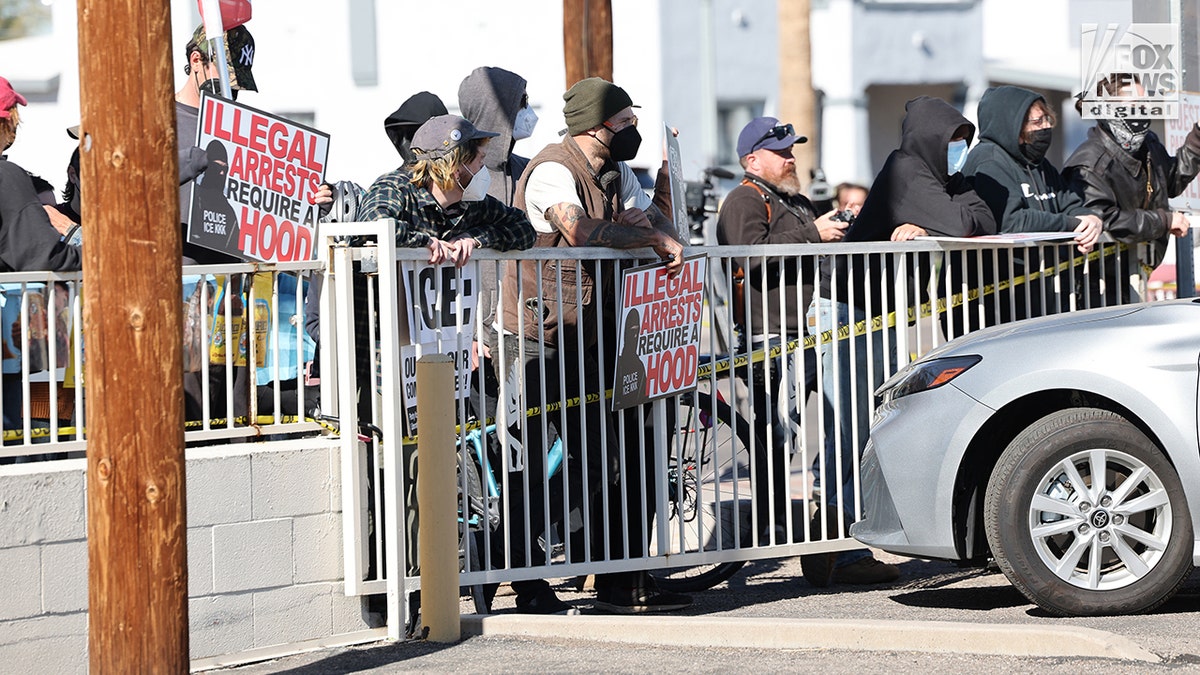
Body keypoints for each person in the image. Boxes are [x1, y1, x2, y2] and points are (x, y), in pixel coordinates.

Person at [500, 77, 688, 614]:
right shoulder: (552, 169)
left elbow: (660, 227)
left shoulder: (616, 171)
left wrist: (655, 215)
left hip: (594, 334)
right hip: (541, 336)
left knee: (615, 458)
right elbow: (580, 231)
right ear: (595, 126)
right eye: (625, 122)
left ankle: (618, 580)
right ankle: (519, 572)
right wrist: (646, 235)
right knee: (553, 462)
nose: (633, 130)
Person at [807, 96, 995, 587]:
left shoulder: (942, 180)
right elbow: (963, 222)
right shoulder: (907, 170)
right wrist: (939, 218)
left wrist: (928, 220)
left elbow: (984, 219)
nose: (959, 151)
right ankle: (833, 543)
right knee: (852, 426)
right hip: (849, 311)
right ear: (931, 139)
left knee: (869, 424)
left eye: (964, 141)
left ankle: (838, 540)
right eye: (952, 141)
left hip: (880, 312)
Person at [715, 116, 846, 545]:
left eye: (792, 150)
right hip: (771, 337)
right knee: (775, 432)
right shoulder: (744, 199)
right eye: (781, 152)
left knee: (840, 419)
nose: (791, 158)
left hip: (815, 331)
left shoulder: (796, 200)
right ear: (752, 160)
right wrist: (814, 232)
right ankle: (768, 523)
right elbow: (750, 256)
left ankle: (827, 510)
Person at [964, 85, 1101, 328]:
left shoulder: (1039, 164)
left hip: (1038, 297)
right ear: (1012, 125)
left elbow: (1070, 203)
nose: (1046, 127)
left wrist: (1090, 221)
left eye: (1047, 119)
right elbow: (1012, 221)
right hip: (992, 304)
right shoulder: (988, 160)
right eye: (1037, 122)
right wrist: (1073, 225)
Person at [1063, 76, 1200, 305]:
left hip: (1136, 275)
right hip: (1099, 286)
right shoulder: (1089, 162)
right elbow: (1105, 219)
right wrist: (1164, 221)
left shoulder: (1148, 144)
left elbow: (1172, 181)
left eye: (1145, 103)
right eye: (1134, 104)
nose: (1143, 110)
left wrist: (1197, 137)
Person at [0, 76, 82, 449]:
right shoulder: (8, 177)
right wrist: (98, 253)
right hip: (15, 354)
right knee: (24, 449)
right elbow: (46, 257)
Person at [384, 92, 449, 164]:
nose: (404, 142)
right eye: (399, 135)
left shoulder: (456, 170)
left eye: (412, 135)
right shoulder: (395, 173)